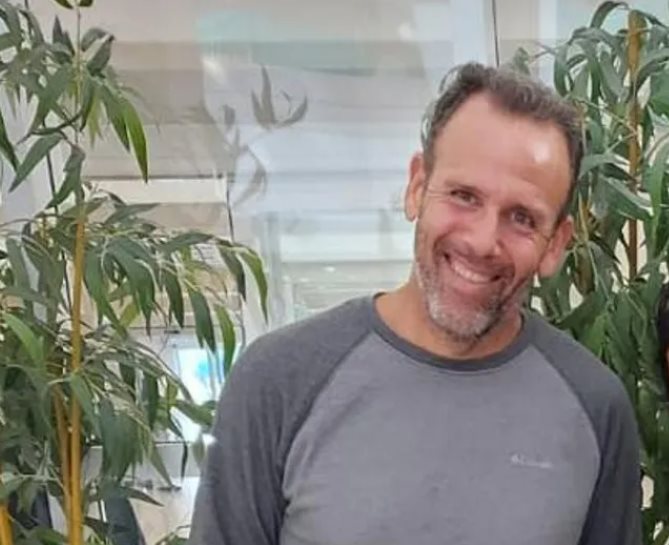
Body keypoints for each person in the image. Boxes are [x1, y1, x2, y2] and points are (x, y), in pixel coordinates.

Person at [189, 62, 641, 545]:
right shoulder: (279, 380)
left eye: (522, 218)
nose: (482, 241)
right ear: (416, 188)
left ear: (556, 244)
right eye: (464, 196)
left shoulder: (595, 407)